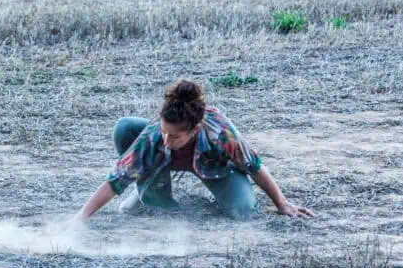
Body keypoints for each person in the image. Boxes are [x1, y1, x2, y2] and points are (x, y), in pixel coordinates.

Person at [74, 80, 315, 223]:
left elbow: (254, 166)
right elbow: (116, 179)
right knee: (126, 129)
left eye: (175, 136)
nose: (166, 139)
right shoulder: (154, 135)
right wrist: (81, 218)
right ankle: (146, 189)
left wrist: (282, 203)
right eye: (164, 131)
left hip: (214, 169)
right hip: (160, 163)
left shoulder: (221, 133)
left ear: (194, 130)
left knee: (244, 212)